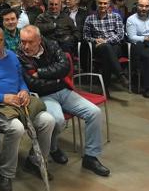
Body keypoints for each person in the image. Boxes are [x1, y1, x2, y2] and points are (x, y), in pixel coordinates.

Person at [17, 25, 110, 177]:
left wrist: (40, 72)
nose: (26, 46)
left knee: (94, 112)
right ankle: (50, 150)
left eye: (30, 42)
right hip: (43, 95)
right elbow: (32, 84)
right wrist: (57, 78)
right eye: (23, 42)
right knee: (57, 120)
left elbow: (64, 67)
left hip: (63, 91)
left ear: (39, 40)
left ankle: (90, 157)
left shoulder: (52, 45)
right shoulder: (19, 56)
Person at [0, 26, 55, 191]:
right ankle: (6, 174)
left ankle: (34, 162)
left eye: (0, 40)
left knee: (48, 120)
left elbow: (20, 80)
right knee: (16, 128)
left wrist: (24, 90)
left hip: (18, 101)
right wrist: (3, 97)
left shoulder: (12, 56)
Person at [83, 0, 128, 93]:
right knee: (106, 49)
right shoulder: (90, 18)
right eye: (100, 3)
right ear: (96, 3)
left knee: (107, 54)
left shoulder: (116, 17)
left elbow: (120, 35)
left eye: (105, 3)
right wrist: (95, 40)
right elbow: (85, 36)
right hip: (99, 47)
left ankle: (105, 89)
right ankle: (120, 75)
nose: (102, 5)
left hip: (115, 46)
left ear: (109, 4)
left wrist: (106, 41)